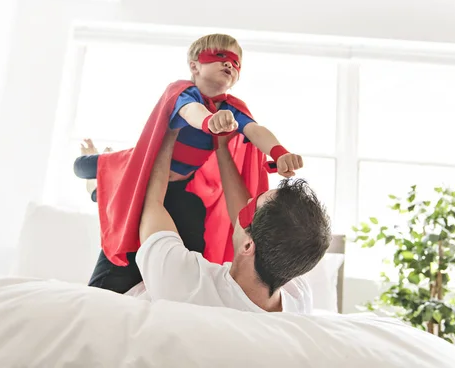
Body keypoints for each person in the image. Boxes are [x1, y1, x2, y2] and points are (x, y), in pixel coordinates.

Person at [74, 33, 304, 294]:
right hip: (137, 168)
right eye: (220, 57)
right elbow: (191, 113)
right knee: (82, 166)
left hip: (177, 183)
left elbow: (255, 130)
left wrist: (279, 152)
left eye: (236, 63)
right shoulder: (184, 94)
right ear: (195, 65)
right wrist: (209, 123)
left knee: (116, 195)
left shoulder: (232, 109)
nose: (230, 64)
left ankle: (97, 189)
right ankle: (95, 176)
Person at [128, 129, 331, 313]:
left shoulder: (187, 283)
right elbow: (250, 228)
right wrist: (222, 149)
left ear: (248, 245)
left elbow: (152, 203)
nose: (249, 199)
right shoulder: (298, 298)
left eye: (251, 206)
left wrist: (168, 132)